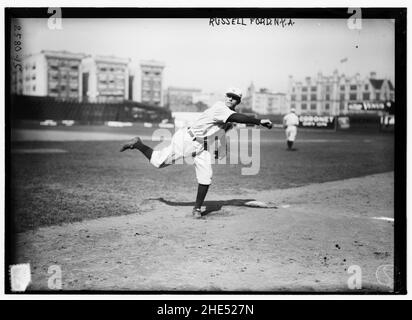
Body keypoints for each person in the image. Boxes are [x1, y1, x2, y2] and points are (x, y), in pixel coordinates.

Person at [120, 87, 273, 218]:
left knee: (206, 176)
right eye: (229, 96)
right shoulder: (220, 107)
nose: (230, 99)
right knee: (157, 162)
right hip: (187, 140)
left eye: (234, 98)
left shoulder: (229, 118)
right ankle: (138, 144)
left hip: (202, 147)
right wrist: (258, 121)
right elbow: (237, 117)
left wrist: (220, 148)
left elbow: (224, 130)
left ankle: (197, 208)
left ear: (238, 101)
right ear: (225, 96)